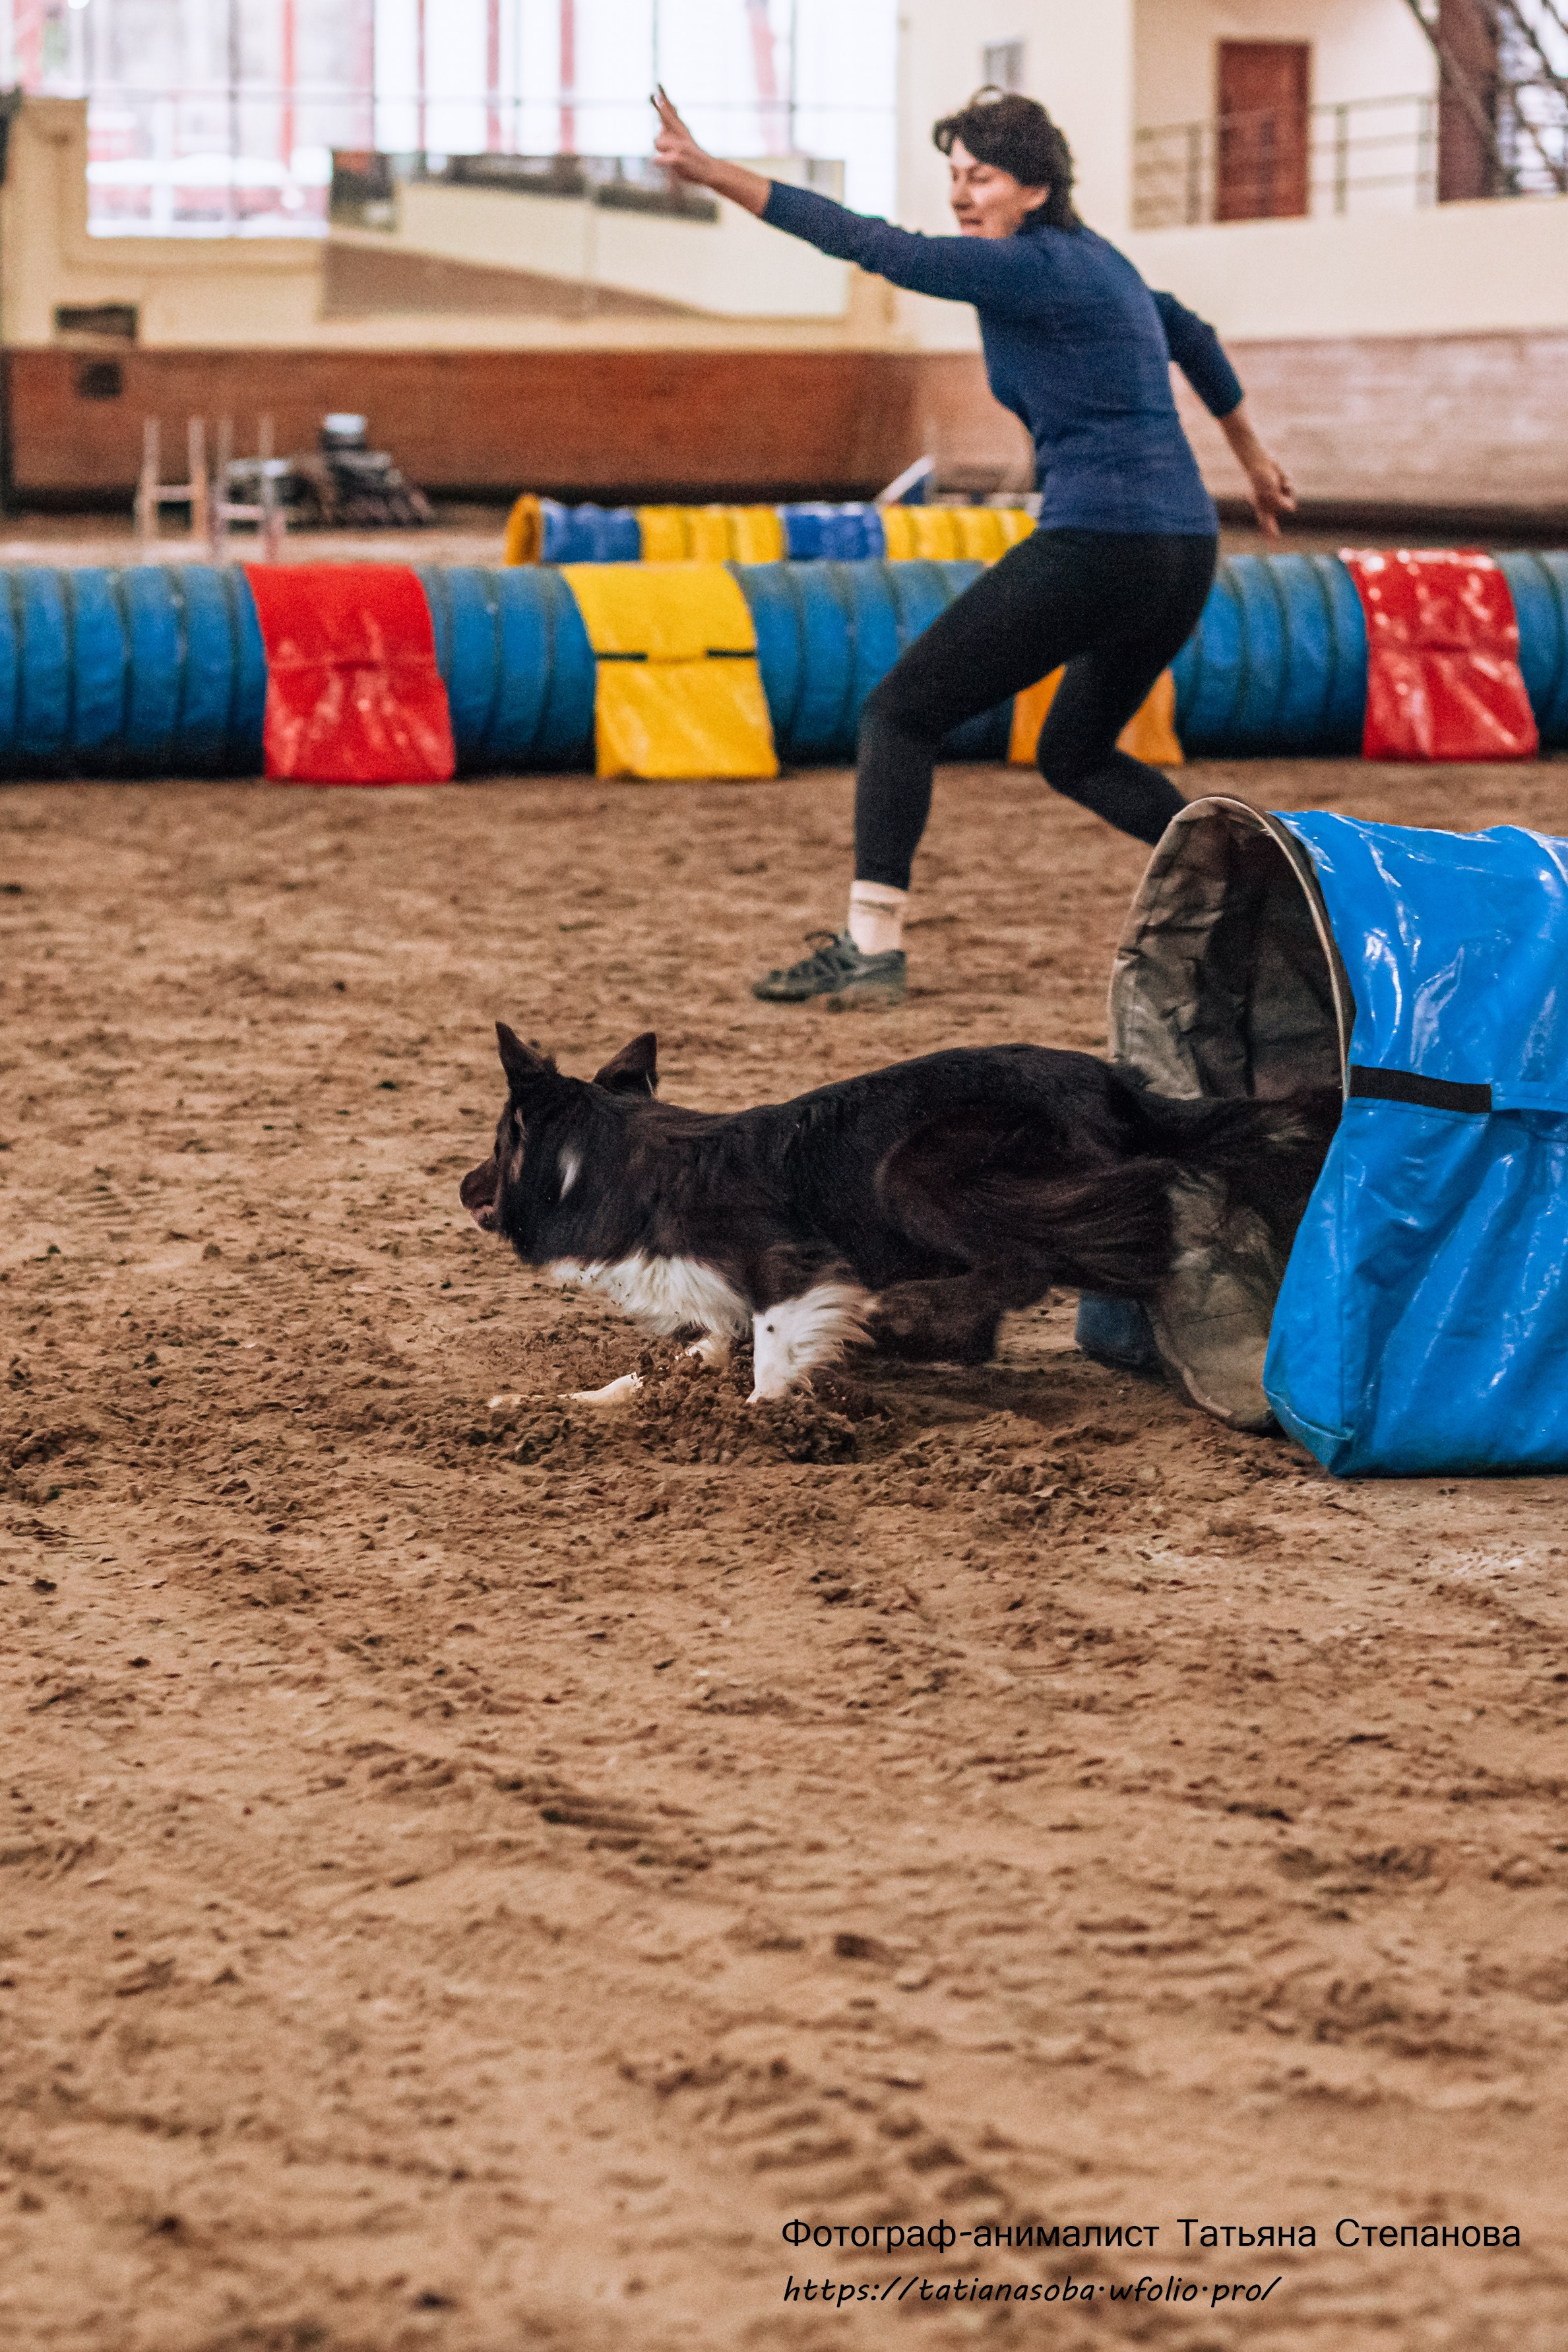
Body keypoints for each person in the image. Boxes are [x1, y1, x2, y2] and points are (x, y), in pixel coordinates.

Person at [652, 85, 1295, 1009]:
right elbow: (1188, 333)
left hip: (1100, 542)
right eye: (952, 175)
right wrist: (1252, 458)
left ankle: (870, 945)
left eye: (980, 177)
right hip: (1183, 548)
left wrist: (715, 173)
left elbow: (869, 244)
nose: (960, 194)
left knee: (899, 714)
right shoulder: (1101, 265)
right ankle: (1269, 881)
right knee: (1074, 753)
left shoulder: (1026, 266)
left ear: (1034, 189)